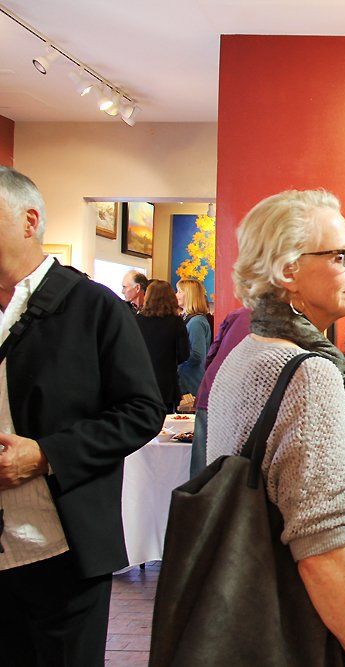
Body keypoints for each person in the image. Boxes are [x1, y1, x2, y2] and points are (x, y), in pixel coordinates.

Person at [205, 189, 345, 665]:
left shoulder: (246, 352)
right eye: (341, 255)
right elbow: (321, 547)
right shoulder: (307, 372)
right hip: (308, 631)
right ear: (287, 271)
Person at [0, 166, 164, 665]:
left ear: (29, 221)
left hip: (61, 547)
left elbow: (142, 411)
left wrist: (46, 455)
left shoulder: (94, 307)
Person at [190, 306, 251, 477]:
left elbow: (211, 355)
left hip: (212, 392)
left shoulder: (237, 314)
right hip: (244, 401)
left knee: (200, 474)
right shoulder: (288, 323)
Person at [135, 279, 190, 412]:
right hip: (167, 383)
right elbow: (184, 354)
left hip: (142, 382)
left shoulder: (137, 320)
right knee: (167, 424)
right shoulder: (176, 322)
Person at [176, 279, 212, 399]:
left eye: (180, 292)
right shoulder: (189, 319)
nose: (176, 295)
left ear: (189, 295)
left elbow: (197, 355)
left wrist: (176, 357)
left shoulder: (196, 322)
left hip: (191, 383)